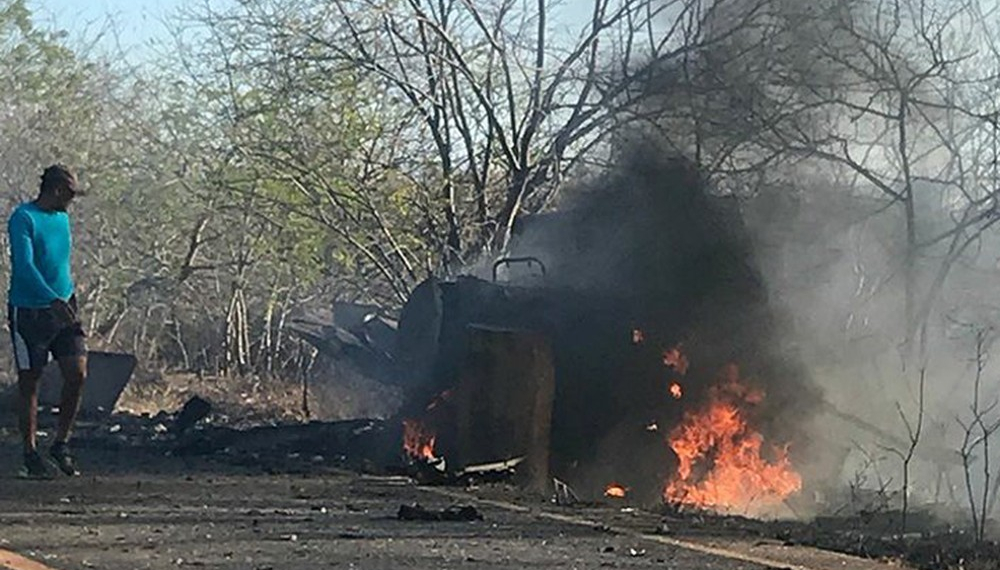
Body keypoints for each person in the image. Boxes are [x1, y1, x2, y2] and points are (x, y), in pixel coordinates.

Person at [7, 164, 87, 479]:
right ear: (55, 190)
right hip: (30, 311)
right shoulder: (23, 218)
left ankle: (61, 443)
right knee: (31, 381)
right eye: (69, 194)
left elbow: (58, 262)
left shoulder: (62, 219)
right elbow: (24, 266)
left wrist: (65, 296)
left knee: (77, 373)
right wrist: (50, 298)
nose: (71, 201)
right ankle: (29, 452)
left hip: (64, 307)